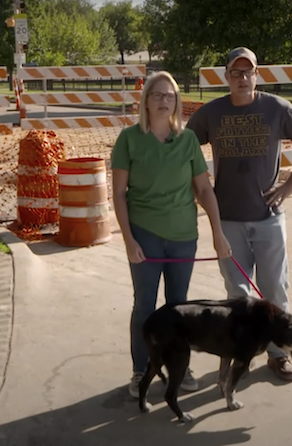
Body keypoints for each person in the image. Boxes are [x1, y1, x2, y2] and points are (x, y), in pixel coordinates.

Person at [186, 47, 292, 382]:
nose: (242, 78)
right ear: (226, 76)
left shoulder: (275, 108)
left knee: (274, 291)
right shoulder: (210, 114)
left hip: (268, 218)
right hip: (228, 221)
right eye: (236, 72)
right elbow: (185, 151)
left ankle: (278, 354)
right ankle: (239, 352)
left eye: (248, 72)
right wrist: (199, 190)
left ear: (256, 75)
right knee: (238, 296)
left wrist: (289, 187)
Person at [111, 71, 232, 398]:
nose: (164, 101)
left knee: (179, 307)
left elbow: (204, 189)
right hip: (145, 236)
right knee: (145, 307)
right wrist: (128, 240)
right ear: (146, 101)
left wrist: (217, 232)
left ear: (177, 101)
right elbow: (119, 194)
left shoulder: (188, 141)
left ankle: (179, 366)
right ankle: (141, 371)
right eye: (157, 95)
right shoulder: (129, 140)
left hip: (182, 236)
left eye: (170, 96)